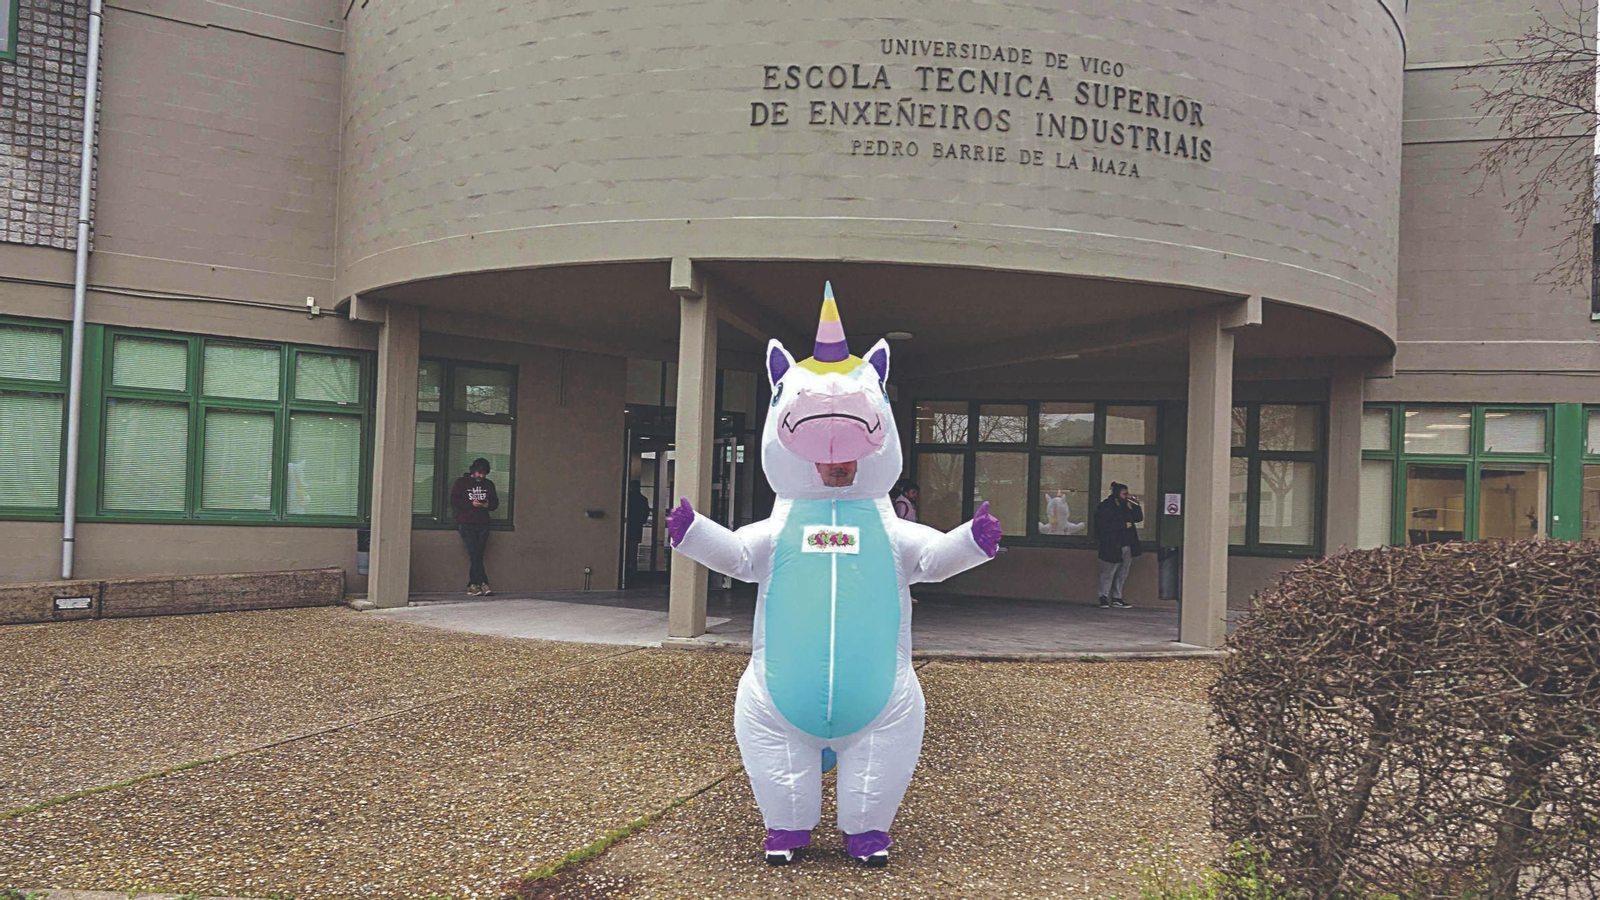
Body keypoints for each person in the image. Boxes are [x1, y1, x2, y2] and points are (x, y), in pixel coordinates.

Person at [449, 457, 499, 596]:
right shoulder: (462, 483)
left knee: (477, 554)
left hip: (483, 523)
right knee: (474, 553)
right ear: (473, 471)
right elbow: (454, 501)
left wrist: (486, 505)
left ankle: (473, 584)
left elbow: (495, 503)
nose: (481, 476)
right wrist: (471, 504)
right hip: (466, 522)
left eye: (483, 474)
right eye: (479, 473)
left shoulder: (489, 485)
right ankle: (483, 583)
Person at [1094, 482, 1142, 609]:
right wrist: (1122, 525)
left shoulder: (1126, 506)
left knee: (1122, 572)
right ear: (1117, 494)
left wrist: (1136, 506)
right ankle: (1103, 597)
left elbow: (1138, 518)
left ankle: (1117, 597)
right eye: (1124, 493)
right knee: (1108, 572)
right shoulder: (1105, 507)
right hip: (1112, 544)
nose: (1127, 496)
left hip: (1127, 544)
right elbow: (1102, 526)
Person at [626, 479, 651, 574]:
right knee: (634, 546)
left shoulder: (628, 498)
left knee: (628, 545)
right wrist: (642, 521)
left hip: (629, 524)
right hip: (637, 525)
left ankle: (629, 563)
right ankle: (633, 564)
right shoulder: (643, 499)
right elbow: (646, 512)